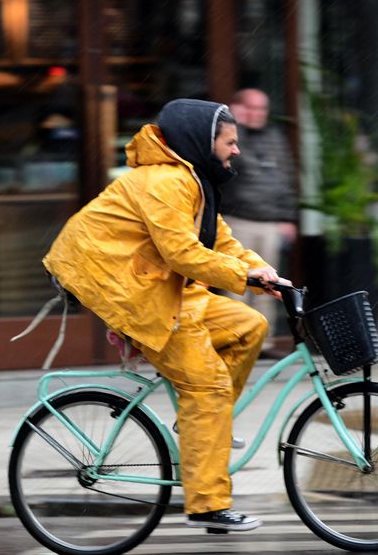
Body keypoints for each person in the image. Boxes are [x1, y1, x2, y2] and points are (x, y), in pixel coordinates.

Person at [42, 98, 285, 533]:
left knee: (250, 325)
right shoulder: (165, 182)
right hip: (133, 292)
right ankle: (207, 506)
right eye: (229, 142)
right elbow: (182, 254)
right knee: (208, 387)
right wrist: (243, 276)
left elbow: (221, 243)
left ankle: (201, 426)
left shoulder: (193, 178)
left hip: (160, 287)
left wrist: (264, 273)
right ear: (202, 142)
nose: (237, 150)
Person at [220, 89, 298, 352]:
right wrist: (236, 124)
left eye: (261, 109)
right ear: (238, 108)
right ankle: (237, 342)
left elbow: (286, 177)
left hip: (269, 221)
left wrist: (287, 217)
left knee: (269, 284)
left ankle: (263, 343)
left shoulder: (275, 138)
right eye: (251, 108)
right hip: (238, 220)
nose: (257, 114)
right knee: (237, 285)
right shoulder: (231, 137)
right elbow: (229, 170)